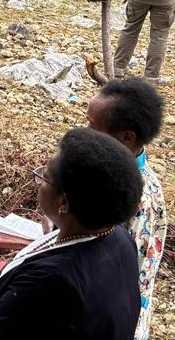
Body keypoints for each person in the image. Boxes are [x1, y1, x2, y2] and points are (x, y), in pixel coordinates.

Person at [0, 128, 142, 340]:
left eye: (44, 178)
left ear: (63, 203)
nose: (39, 183)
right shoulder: (119, 237)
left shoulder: (52, 279)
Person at [86, 78, 167, 340]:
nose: (85, 132)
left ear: (126, 137)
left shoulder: (139, 199)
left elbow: (131, 273)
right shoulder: (106, 170)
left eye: (93, 127)